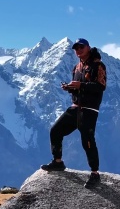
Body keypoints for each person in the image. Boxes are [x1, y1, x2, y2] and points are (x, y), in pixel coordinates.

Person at [41, 38, 107, 188]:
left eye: (81, 47)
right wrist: (70, 88)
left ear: (88, 48)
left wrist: (81, 85)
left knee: (87, 140)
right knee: (55, 131)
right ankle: (58, 162)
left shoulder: (98, 65)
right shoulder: (76, 68)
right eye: (76, 48)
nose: (78, 50)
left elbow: (101, 86)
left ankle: (95, 174)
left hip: (89, 109)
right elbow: (80, 87)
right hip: (75, 107)